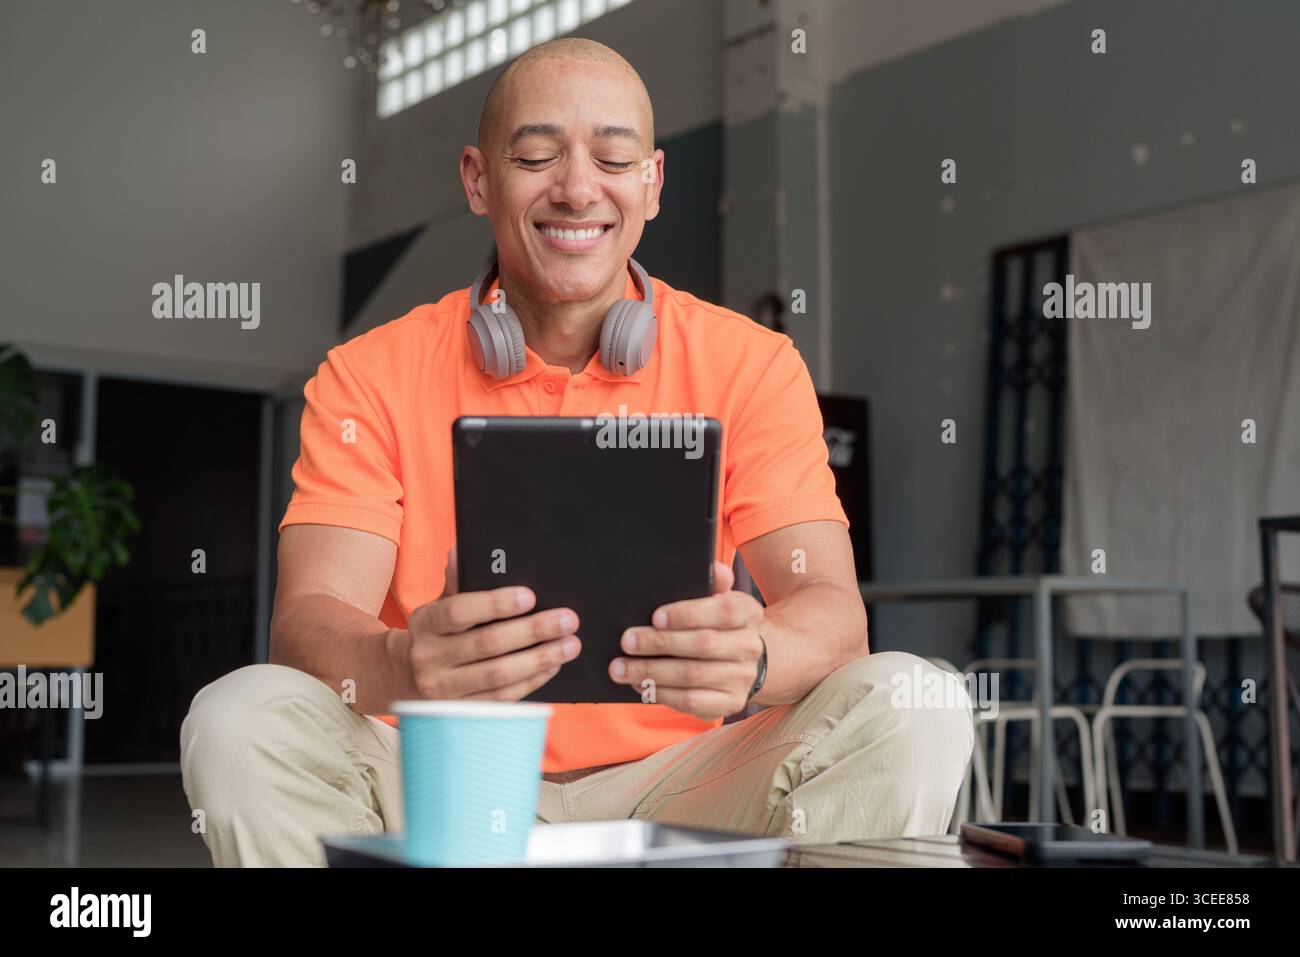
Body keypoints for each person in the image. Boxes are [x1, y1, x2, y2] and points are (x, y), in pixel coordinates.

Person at [180, 37, 972, 867]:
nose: (577, 188)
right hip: (439, 774)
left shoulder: (754, 365)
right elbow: (307, 623)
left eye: (613, 158)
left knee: (917, 701)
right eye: (534, 155)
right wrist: (404, 659)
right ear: (478, 179)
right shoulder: (368, 374)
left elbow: (833, 613)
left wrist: (756, 658)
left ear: (652, 184)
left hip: (684, 782)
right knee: (241, 716)